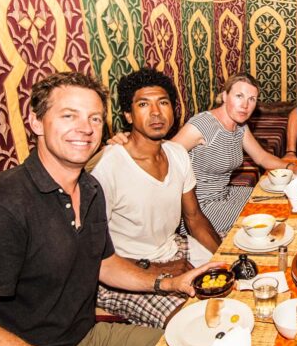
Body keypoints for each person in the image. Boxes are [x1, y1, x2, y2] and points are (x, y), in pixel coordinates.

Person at [0, 72, 223, 346]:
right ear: (36, 122)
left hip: (86, 337)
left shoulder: (89, 190)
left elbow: (105, 264)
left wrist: (169, 283)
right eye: (68, 116)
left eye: (93, 118)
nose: (85, 128)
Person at [92, 68, 221, 328]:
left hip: (173, 248)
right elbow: (93, 254)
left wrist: (224, 256)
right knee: (193, 323)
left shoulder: (177, 154)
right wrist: (158, 270)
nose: (155, 113)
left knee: (233, 287)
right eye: (143, 104)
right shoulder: (108, 166)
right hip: (124, 272)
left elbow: (194, 218)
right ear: (128, 115)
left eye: (163, 103)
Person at [112, 73, 297, 235]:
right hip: (198, 207)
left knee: (276, 200)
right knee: (265, 218)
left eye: (252, 99)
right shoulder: (203, 125)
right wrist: (128, 144)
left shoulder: (239, 125)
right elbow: (164, 154)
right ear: (224, 96)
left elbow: (260, 157)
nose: (245, 105)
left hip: (225, 195)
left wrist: (292, 167)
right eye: (239, 96)